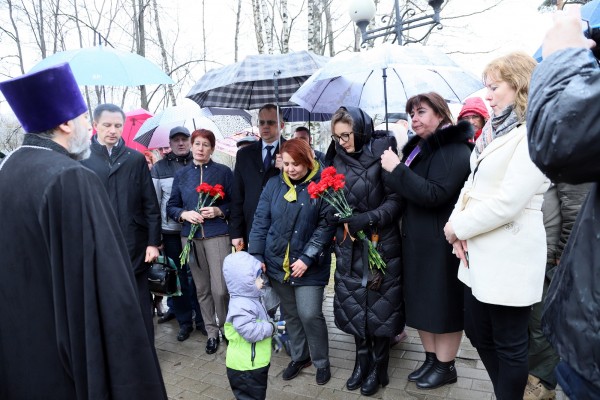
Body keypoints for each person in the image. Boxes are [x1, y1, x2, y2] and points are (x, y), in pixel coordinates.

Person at [0, 63, 167, 399]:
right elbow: (107, 291)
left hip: (19, 348)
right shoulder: (71, 177)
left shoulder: (8, 169)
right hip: (66, 360)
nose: (83, 127)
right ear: (65, 122)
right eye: (81, 119)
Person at [443, 51, 550, 400]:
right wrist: (454, 224)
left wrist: (460, 228)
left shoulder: (534, 131)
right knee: (477, 331)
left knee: (510, 344)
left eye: (494, 86)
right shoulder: (495, 130)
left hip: (510, 253)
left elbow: (509, 202)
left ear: (519, 86)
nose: (486, 94)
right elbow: (471, 184)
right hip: (479, 251)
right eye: (485, 86)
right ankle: (506, 390)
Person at [526, 8, 600, 399]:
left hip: (559, 260)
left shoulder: (579, 142)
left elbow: (573, 199)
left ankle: (541, 380)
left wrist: (564, 57)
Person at [380, 92, 474, 390]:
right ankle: (432, 360)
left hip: (441, 244)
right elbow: (405, 186)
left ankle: (446, 366)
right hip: (417, 241)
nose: (415, 119)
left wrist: (397, 169)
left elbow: (434, 193)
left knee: (442, 306)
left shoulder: (455, 150)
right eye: (412, 114)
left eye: (421, 112)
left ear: (441, 114)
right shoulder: (419, 149)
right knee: (422, 304)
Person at [328, 106, 404, 397]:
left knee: (380, 305)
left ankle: (379, 365)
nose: (342, 142)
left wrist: (369, 217)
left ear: (360, 130)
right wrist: (336, 213)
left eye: (346, 135)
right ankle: (361, 361)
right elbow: (329, 195)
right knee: (355, 303)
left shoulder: (383, 153)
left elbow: (396, 200)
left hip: (379, 244)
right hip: (350, 245)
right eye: (337, 137)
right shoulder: (334, 156)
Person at [249, 138, 335, 385]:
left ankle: (321, 361)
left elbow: (326, 225)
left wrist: (308, 257)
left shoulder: (322, 187)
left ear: (308, 161)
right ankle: (300, 356)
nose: (291, 169)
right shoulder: (274, 185)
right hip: (277, 264)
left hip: (309, 266)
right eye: (286, 164)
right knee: (290, 314)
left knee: (309, 314)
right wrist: (256, 255)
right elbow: (261, 221)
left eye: (296, 163)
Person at [82, 103, 162, 340]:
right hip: (98, 243)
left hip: (134, 243)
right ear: (95, 126)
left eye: (118, 125)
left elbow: (150, 204)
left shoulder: (135, 159)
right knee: (105, 299)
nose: (113, 130)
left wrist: (152, 243)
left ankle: (144, 350)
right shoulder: (82, 158)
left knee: (138, 299)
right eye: (107, 125)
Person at [167, 128, 233, 355]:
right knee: (202, 288)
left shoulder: (224, 172)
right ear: (192, 146)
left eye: (206, 144)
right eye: (197, 144)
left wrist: (218, 210)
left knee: (221, 289)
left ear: (212, 148)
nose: (201, 149)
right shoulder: (182, 175)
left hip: (217, 235)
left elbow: (234, 204)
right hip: (191, 237)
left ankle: (227, 329)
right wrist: (184, 215)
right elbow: (171, 206)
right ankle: (211, 332)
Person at [524, 181, 590, 400]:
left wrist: (563, 254)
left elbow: (576, 205)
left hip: (553, 255)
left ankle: (541, 385)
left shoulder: (571, 152)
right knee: (534, 323)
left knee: (542, 323)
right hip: (537, 250)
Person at [151, 125, 206, 341]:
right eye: (176, 140)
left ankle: (203, 318)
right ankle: (184, 321)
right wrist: (156, 238)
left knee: (200, 276)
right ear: (170, 143)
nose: (181, 143)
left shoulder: (200, 163)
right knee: (180, 279)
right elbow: (154, 204)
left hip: (197, 230)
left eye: (185, 139)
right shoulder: (159, 168)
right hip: (172, 232)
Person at [223, 251, 277, 400]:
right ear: (244, 281)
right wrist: (271, 328)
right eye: (258, 277)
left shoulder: (251, 297)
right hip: (245, 367)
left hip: (254, 363)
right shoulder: (241, 305)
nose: (262, 281)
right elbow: (250, 332)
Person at [230, 104, 285, 250]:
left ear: (282, 125)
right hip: (252, 226)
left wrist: (285, 169)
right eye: (261, 122)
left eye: (271, 122)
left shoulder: (291, 151)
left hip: (283, 226)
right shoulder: (244, 155)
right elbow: (237, 196)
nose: (265, 126)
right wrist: (236, 232)